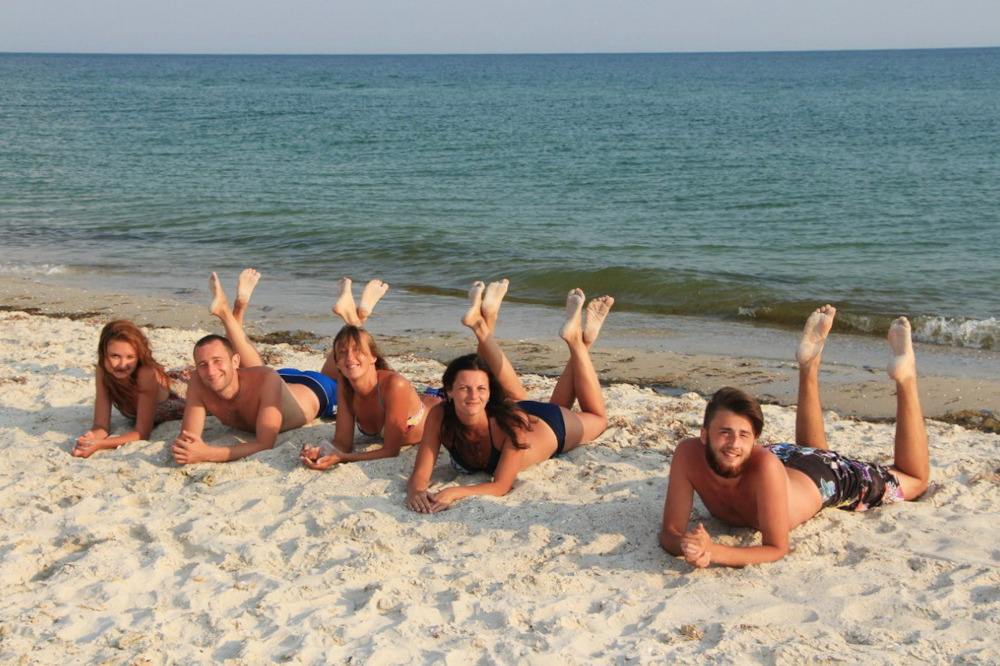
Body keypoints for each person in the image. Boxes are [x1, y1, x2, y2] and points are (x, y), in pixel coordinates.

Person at [659, 305, 930, 568]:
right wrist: (689, 545)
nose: (733, 443)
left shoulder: (763, 466)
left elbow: (776, 548)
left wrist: (714, 551)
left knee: (914, 480)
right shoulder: (688, 454)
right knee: (811, 450)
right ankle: (809, 365)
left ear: (754, 441)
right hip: (784, 456)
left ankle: (906, 377)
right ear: (704, 435)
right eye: (724, 433)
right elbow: (669, 533)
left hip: (826, 476)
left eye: (743, 435)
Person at [407, 280, 614, 513]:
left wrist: (455, 492)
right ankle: (578, 340)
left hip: (552, 426)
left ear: (490, 393)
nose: (473, 395)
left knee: (597, 417)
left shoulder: (511, 427)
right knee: (531, 398)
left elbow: (501, 487)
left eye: (481, 389)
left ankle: (577, 342)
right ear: (449, 392)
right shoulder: (439, 415)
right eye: (464, 389)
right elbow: (420, 474)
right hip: (519, 410)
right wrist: (416, 492)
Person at [171, 270, 355, 464]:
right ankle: (236, 310)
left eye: (216, 362)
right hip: (279, 382)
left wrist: (207, 454)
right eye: (202, 364)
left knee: (346, 367)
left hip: (316, 391)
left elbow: (265, 443)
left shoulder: (262, 379)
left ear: (236, 362)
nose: (210, 371)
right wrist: (188, 448)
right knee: (250, 371)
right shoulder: (199, 381)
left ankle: (354, 322)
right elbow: (188, 440)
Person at [299, 278, 443, 469]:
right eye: (342, 352)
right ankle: (356, 320)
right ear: (337, 362)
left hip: (440, 407)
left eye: (357, 350)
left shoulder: (394, 384)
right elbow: (343, 443)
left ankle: (356, 320)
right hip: (412, 396)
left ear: (373, 357)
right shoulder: (345, 383)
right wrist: (320, 451)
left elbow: (391, 450)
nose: (349, 357)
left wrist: (341, 458)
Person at [73, 320, 189, 458]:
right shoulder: (103, 371)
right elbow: (101, 425)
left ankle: (223, 314)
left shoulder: (146, 374)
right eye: (115, 356)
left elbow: (142, 433)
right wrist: (90, 438)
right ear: (103, 353)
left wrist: (100, 445)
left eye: (130, 357)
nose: (122, 364)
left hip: (187, 388)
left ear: (139, 356)